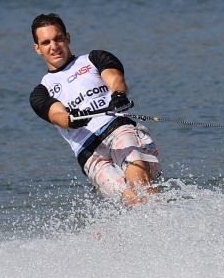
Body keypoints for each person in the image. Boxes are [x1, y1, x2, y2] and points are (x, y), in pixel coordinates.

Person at [28, 13, 162, 205]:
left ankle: (168, 222)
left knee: (139, 183)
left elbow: (115, 79)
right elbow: (57, 114)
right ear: (38, 48)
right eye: (46, 42)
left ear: (67, 37)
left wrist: (117, 95)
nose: (54, 46)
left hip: (117, 128)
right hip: (89, 152)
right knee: (129, 197)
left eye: (58, 39)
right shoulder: (41, 91)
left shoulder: (93, 59)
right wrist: (71, 118)